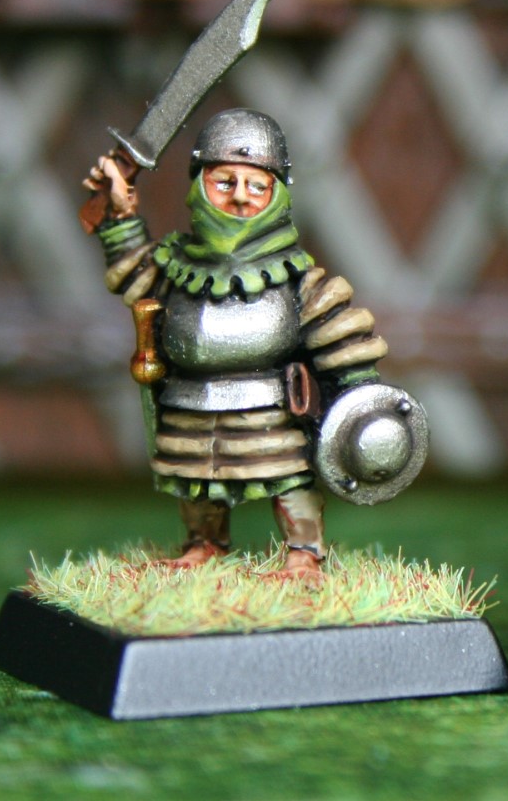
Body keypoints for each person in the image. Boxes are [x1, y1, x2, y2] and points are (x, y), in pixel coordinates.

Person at [83, 108, 389, 577]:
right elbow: (134, 275)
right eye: (225, 182)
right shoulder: (174, 268)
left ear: (276, 193)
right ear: (199, 185)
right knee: (195, 479)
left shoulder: (296, 280)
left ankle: (303, 554)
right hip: (188, 405)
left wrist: (357, 398)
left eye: (256, 185)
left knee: (288, 479)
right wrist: (120, 214)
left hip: (270, 412)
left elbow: (340, 338)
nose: (241, 196)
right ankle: (203, 545)